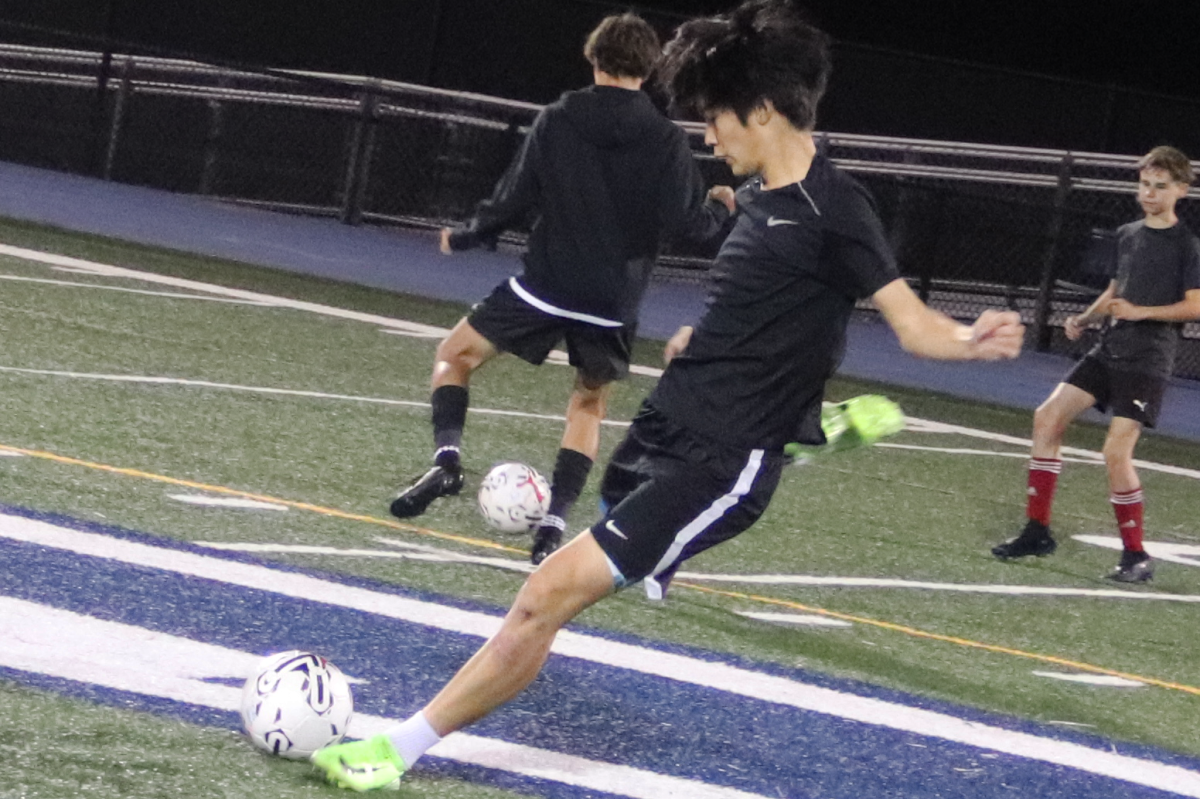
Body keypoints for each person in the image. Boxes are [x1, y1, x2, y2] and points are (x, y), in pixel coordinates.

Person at [312, 0, 1024, 789]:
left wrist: (968, 339)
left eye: (715, 118)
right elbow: (757, 307)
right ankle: (807, 429)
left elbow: (910, 322)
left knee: (546, 594)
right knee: (607, 510)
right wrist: (698, 342)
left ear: (760, 111)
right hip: (673, 420)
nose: (708, 136)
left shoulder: (837, 209)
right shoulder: (756, 202)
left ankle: (395, 751)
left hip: (721, 462)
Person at [388, 12, 734, 566]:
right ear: (648, 71)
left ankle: (447, 461)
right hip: (611, 301)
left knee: (454, 356)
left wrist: (471, 233)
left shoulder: (559, 118)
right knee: (588, 405)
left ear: (593, 58)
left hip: (545, 285)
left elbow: (516, 194)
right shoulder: (666, 139)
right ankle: (553, 522)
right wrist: (719, 207)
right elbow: (688, 225)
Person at [993, 146, 1200, 582]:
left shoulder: (1186, 245)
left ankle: (1135, 556)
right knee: (1047, 418)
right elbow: (1114, 290)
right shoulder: (1127, 234)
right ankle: (1037, 531)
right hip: (1109, 349)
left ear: (1182, 190)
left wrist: (1142, 312)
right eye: (1145, 183)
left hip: (1147, 360)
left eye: (1161, 186)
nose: (1149, 192)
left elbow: (1194, 307)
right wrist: (1086, 318)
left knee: (1114, 453)